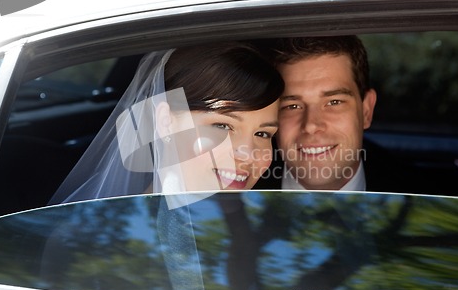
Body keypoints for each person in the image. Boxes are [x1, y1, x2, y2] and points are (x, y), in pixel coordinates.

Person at [49, 41, 284, 204]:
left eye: (262, 134)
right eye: (222, 126)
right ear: (165, 121)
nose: (249, 154)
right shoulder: (88, 240)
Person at [255, 36, 378, 191]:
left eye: (334, 102)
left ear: (366, 110)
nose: (311, 125)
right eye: (292, 106)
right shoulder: (235, 191)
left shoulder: (414, 190)